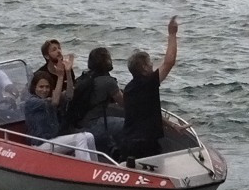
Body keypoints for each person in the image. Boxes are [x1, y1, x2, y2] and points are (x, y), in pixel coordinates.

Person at [121, 16, 179, 162]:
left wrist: (171, 124)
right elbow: (169, 62)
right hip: (146, 144)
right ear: (143, 68)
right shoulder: (148, 82)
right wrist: (172, 34)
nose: (152, 65)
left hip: (129, 141)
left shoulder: (129, 88)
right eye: (149, 63)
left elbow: (147, 112)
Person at [24, 68, 97, 161]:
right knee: (80, 138)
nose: (44, 90)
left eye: (47, 87)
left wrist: (68, 73)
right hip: (40, 145)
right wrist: (60, 76)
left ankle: (95, 169)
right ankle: (86, 170)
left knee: (89, 136)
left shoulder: (50, 99)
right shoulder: (31, 102)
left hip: (54, 141)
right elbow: (54, 101)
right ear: (34, 87)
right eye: (41, 87)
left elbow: (69, 94)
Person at [66, 46, 124, 153]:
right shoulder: (108, 81)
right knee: (128, 123)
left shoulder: (85, 77)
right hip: (92, 125)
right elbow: (124, 103)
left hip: (77, 124)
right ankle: (123, 153)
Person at [33, 38, 76, 115]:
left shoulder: (67, 68)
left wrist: (68, 72)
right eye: (54, 50)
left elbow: (70, 96)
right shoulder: (41, 74)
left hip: (66, 108)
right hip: (48, 110)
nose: (58, 51)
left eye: (59, 48)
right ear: (47, 56)